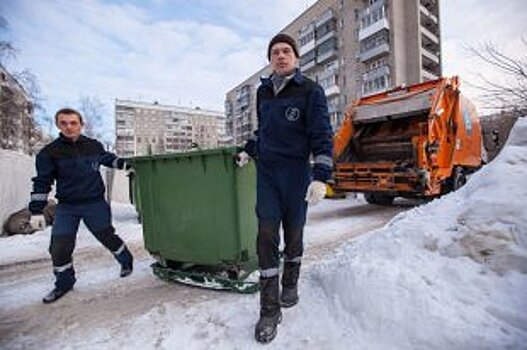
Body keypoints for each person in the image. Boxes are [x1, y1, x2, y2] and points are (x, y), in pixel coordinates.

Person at [237, 33, 333, 343]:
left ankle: (290, 281)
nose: (280, 56)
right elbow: (262, 130)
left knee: (294, 232)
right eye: (275, 52)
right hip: (267, 173)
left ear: (296, 57)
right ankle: (269, 309)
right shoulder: (263, 92)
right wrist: (248, 149)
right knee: (266, 234)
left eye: (286, 51)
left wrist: (321, 176)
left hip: (296, 174)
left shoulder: (311, 91)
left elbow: (321, 134)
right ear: (270, 59)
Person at [28, 108, 134, 304]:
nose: (69, 127)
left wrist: (126, 164)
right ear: (58, 125)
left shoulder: (93, 145)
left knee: (107, 236)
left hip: (94, 203)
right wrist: (36, 211)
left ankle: (126, 261)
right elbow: (42, 182)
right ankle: (64, 283)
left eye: (73, 123)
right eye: (64, 123)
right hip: (67, 207)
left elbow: (107, 158)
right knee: (59, 246)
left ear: (81, 124)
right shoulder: (50, 152)